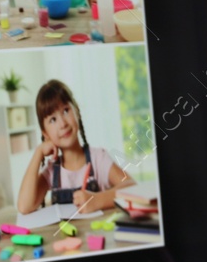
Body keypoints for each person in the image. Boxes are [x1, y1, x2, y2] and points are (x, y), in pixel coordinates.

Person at [17, 79, 133, 216]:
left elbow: (132, 186)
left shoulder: (98, 159)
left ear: (76, 111)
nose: (62, 124)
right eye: (52, 120)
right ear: (45, 133)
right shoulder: (52, 172)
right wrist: (38, 153)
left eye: (66, 111)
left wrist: (98, 200)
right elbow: (24, 206)